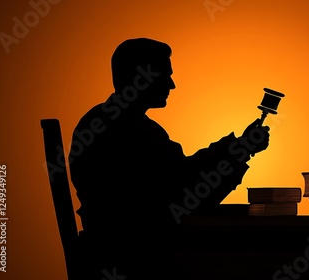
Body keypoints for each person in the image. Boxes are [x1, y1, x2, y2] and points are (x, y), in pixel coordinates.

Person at [68, 38, 270, 279]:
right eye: (165, 74)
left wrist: (237, 149)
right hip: (140, 261)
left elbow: (181, 177)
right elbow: (189, 192)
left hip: (116, 254)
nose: (172, 84)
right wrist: (240, 151)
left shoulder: (103, 123)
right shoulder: (136, 132)